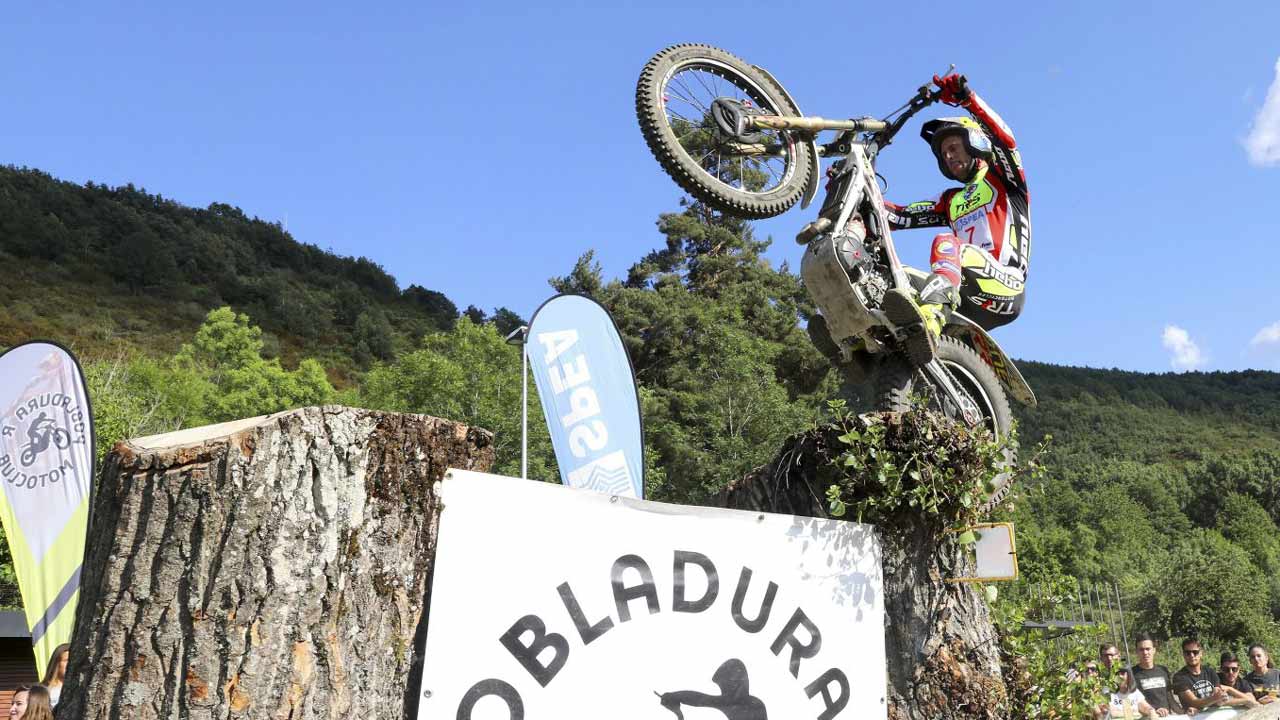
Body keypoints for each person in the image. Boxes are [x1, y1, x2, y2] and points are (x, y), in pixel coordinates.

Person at [882, 72, 1030, 366]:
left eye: (953, 148)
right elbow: (897, 216)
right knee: (894, 278)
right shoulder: (951, 201)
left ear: (973, 142)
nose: (948, 156)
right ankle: (869, 346)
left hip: (1006, 284)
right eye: (943, 153)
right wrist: (857, 194)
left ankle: (934, 313)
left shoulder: (1002, 179)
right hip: (964, 290)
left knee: (947, 243)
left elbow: (1005, 140)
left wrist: (967, 99)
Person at [1172, 638, 1255, 712]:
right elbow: (1194, 702)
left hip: (1215, 714)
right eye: (1188, 653)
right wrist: (1214, 699)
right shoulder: (1179, 677)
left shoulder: (1209, 671)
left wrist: (1219, 697)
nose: (1192, 655)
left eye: (1195, 652)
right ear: (1183, 654)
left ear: (1201, 653)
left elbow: (1219, 699)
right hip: (1194, 716)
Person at [1130, 634, 1182, 716]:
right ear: (1136, 651)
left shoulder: (1163, 670)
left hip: (1167, 717)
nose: (1145, 652)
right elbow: (1133, 703)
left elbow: (1170, 699)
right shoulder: (1131, 674)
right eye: (1141, 649)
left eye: (1148, 649)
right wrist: (1153, 711)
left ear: (1154, 650)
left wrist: (1184, 713)